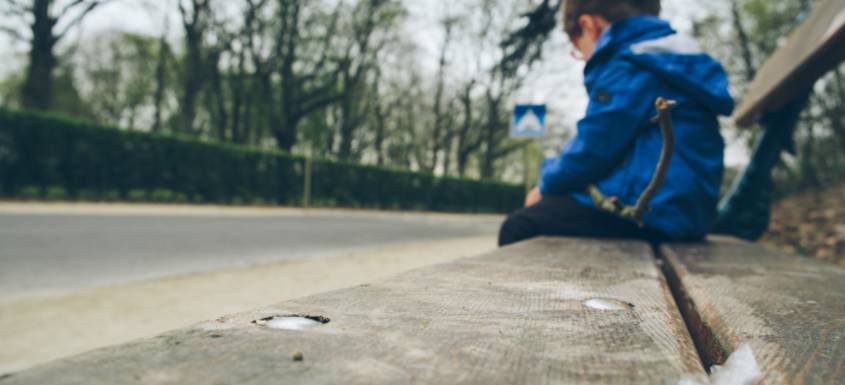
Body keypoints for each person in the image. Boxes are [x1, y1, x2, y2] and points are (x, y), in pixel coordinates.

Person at [498, 0, 734, 247]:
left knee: (520, 226)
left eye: (578, 47)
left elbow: (593, 150)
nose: (583, 57)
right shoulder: (672, 58)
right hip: (686, 215)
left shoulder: (630, 63)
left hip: (651, 214)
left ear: (589, 26)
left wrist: (545, 185)